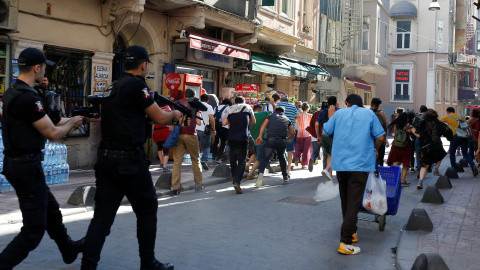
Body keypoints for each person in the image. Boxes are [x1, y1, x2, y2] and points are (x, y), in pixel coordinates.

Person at [81, 45, 181, 270]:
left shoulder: (112, 88)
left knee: (102, 217)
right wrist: (174, 114)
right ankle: (148, 263)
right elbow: (160, 117)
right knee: (147, 209)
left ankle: (87, 266)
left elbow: (126, 117)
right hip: (129, 161)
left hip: (106, 159)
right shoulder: (138, 86)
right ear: (144, 65)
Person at [0, 48, 84, 269]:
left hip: (20, 164)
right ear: (37, 68)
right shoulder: (28, 98)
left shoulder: (12, 92)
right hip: (26, 166)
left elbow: (48, 123)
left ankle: (68, 249)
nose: (45, 71)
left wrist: (71, 119)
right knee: (33, 230)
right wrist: (72, 124)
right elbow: (53, 133)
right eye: (44, 67)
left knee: (52, 212)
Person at [322, 94, 385, 255]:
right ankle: (346, 242)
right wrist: (375, 148)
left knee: (345, 199)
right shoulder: (369, 114)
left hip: (341, 165)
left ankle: (352, 232)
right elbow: (381, 137)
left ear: (347, 103)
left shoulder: (339, 113)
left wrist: (330, 117)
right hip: (360, 164)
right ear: (363, 103)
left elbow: (325, 132)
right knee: (354, 203)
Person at [170, 88, 203, 195]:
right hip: (190, 134)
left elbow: (172, 120)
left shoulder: (178, 103)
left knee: (177, 162)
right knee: (195, 160)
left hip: (178, 134)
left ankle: (174, 187)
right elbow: (198, 123)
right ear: (194, 95)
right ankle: (198, 185)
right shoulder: (194, 104)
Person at [222, 96, 256, 194]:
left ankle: (233, 174)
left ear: (234, 102)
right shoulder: (248, 107)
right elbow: (253, 121)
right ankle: (237, 181)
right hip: (243, 137)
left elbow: (224, 122)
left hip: (232, 137)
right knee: (242, 160)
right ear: (243, 101)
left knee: (233, 158)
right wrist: (245, 122)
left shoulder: (228, 109)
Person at [255, 106, 296, 188]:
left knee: (265, 157)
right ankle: (285, 176)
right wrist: (287, 139)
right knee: (281, 157)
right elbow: (292, 133)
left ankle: (260, 173)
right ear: (283, 112)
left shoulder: (270, 116)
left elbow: (263, 125)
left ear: (275, 111)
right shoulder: (287, 119)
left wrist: (260, 136)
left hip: (270, 140)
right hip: (282, 141)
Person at [414, 110, 453, 189]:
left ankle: (420, 182)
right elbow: (448, 132)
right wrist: (449, 138)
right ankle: (436, 169)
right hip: (436, 144)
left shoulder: (422, 123)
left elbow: (417, 131)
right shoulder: (440, 124)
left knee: (425, 165)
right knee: (441, 154)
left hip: (426, 145)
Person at [440, 107, 478, 176]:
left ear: (448, 111)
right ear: (454, 111)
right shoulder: (460, 117)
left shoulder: (447, 117)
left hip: (455, 137)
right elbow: (466, 125)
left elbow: (439, 122)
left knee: (452, 153)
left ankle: (454, 169)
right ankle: (473, 165)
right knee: (465, 153)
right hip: (464, 136)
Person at [386, 112, 415, 185]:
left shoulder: (396, 125)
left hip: (396, 145)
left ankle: (394, 178)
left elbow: (395, 134)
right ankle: (403, 180)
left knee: (396, 161)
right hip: (405, 146)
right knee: (405, 163)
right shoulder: (409, 127)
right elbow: (417, 135)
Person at [316, 96, 340, 181]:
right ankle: (331, 171)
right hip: (335, 135)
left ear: (328, 103)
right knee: (336, 154)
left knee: (329, 154)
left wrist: (318, 136)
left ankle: (329, 174)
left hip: (324, 135)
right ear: (336, 103)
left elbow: (316, 124)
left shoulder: (322, 112)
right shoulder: (339, 111)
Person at [245, 105, 271, 179]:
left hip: (251, 141)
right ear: (260, 109)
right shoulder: (263, 114)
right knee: (259, 159)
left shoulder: (250, 116)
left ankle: (247, 165)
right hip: (260, 140)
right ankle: (250, 174)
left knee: (254, 154)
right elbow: (273, 111)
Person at [277, 96, 300, 175]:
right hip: (291, 129)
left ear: (281, 100)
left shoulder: (278, 104)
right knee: (290, 150)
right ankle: (288, 169)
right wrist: (294, 122)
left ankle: (282, 165)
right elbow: (298, 116)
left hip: (280, 129)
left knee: (281, 148)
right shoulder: (293, 106)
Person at [196, 94, 215, 171]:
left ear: (200, 99)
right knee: (206, 146)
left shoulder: (197, 106)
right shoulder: (209, 107)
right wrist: (213, 129)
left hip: (196, 129)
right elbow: (212, 119)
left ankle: (196, 162)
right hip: (205, 130)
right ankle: (204, 160)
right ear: (208, 100)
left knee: (197, 146)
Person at [211, 98, 232, 163]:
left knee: (216, 141)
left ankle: (214, 156)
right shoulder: (228, 108)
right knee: (223, 142)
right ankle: (219, 157)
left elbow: (213, 116)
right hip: (225, 127)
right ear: (228, 104)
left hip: (217, 126)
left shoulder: (216, 108)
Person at [153, 105, 172, 172]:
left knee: (159, 147)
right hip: (165, 131)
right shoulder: (167, 108)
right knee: (166, 150)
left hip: (156, 131)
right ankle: (165, 166)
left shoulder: (155, 108)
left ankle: (161, 162)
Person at [294, 102, 312, 169]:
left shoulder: (298, 116)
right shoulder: (310, 116)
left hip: (299, 133)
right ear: (307, 109)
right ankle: (303, 164)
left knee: (298, 147)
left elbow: (296, 122)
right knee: (306, 150)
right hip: (307, 134)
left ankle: (296, 157)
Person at [370, 98, 387, 167]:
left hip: (369, 140)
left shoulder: (367, 113)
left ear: (371, 104)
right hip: (379, 139)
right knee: (380, 158)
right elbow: (384, 128)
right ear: (378, 106)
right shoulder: (381, 114)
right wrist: (384, 139)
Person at [412, 105, 428, 176]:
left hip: (418, 137)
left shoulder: (416, 118)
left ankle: (419, 170)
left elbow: (413, 127)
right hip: (426, 138)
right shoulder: (429, 118)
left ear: (420, 110)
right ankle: (424, 170)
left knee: (418, 155)